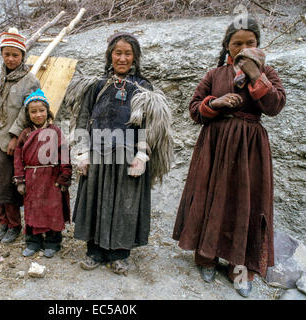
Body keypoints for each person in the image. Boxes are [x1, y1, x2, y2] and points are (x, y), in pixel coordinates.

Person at [172, 18, 286, 297]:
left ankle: (240, 266)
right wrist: (216, 103)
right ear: (227, 46)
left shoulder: (267, 72)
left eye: (250, 42)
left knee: (244, 202)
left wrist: (256, 78)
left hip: (249, 151)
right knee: (210, 196)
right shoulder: (215, 74)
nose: (244, 47)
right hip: (215, 145)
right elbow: (194, 108)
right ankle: (206, 257)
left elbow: (274, 106)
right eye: (237, 43)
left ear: (258, 44)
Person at [71, 32, 173, 275]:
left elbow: (151, 124)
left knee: (125, 204)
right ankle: (94, 251)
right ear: (110, 55)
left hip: (127, 155)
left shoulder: (144, 88)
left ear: (135, 57)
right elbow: (83, 117)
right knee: (95, 200)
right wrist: (82, 152)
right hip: (98, 152)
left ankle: (119, 253)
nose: (122, 58)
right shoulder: (95, 86)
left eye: (128, 53)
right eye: (118, 53)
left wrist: (141, 155)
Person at [0, 27, 40, 244]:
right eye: (7, 54)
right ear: (2, 55)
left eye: (16, 55)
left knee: (8, 185)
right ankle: (2, 222)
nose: (11, 58)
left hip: (11, 142)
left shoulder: (29, 81)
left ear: (23, 56)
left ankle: (14, 225)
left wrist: (16, 137)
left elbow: (29, 111)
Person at [13, 89, 72, 258]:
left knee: (53, 209)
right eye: (33, 111)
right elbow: (18, 158)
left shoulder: (56, 131)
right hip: (32, 179)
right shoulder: (25, 134)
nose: (38, 114)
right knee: (32, 209)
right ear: (28, 114)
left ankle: (53, 242)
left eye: (41, 110)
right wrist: (20, 181)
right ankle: (33, 241)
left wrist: (64, 176)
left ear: (48, 111)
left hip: (52, 178)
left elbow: (65, 154)